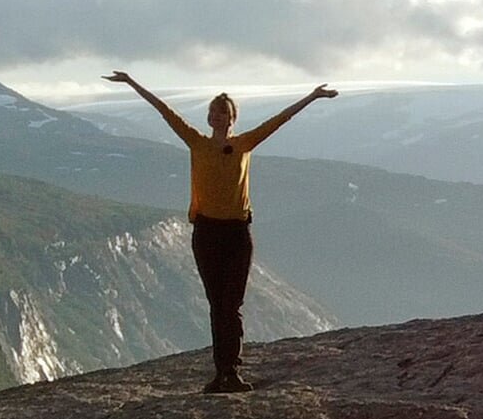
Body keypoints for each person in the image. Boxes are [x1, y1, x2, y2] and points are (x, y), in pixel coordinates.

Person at [104, 71, 333, 392]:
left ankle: (231, 371)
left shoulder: (245, 144)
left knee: (232, 305)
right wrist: (131, 82)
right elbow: (164, 110)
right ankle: (222, 372)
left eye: (222, 113)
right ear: (209, 117)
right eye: (213, 112)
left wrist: (312, 96)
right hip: (207, 232)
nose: (217, 117)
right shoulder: (196, 142)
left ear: (232, 118)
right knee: (217, 305)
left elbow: (279, 120)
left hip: (238, 233)